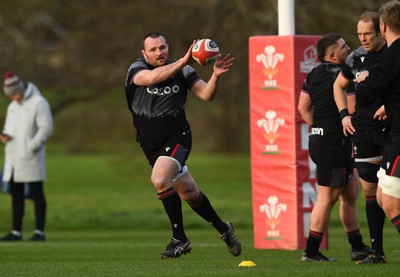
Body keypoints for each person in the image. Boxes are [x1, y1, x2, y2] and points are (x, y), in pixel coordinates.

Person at [124, 32, 241, 259]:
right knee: (189, 192)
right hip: (150, 145)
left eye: (163, 47)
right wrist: (183, 62)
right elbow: (151, 79)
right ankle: (224, 229)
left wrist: (215, 76)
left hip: (177, 138)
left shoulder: (184, 70)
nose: (159, 52)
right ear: (144, 53)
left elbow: (207, 95)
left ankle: (180, 239)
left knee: (160, 179)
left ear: (168, 48)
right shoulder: (136, 70)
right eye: (153, 49)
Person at [298, 33, 370, 262]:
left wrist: (318, 127)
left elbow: (302, 107)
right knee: (327, 197)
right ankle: (310, 252)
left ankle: (357, 246)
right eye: (343, 46)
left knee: (349, 194)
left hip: (324, 140)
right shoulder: (343, 76)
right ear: (332, 55)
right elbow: (352, 108)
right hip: (334, 143)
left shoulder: (313, 74)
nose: (348, 48)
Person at [333, 12, 388, 264]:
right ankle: (377, 252)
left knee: (391, 194)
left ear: (380, 31)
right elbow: (338, 86)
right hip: (364, 131)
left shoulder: (393, 54)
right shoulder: (355, 57)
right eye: (359, 34)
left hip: (391, 131)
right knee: (370, 191)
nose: (363, 38)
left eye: (367, 33)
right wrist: (344, 115)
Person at [355, 0, 400, 239]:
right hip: (392, 135)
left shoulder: (389, 58)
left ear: (383, 26)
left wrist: (363, 80)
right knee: (382, 196)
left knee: (390, 203)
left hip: (397, 138)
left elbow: (363, 96)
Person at [0, 72, 53, 241]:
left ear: (21, 89)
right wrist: (5, 137)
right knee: (16, 194)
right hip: (13, 157)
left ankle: (39, 231)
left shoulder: (39, 102)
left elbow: (46, 129)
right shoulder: (13, 106)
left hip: (31, 157)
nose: (14, 98)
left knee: (36, 192)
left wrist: (30, 147)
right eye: (10, 95)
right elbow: (10, 128)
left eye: (15, 94)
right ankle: (16, 231)